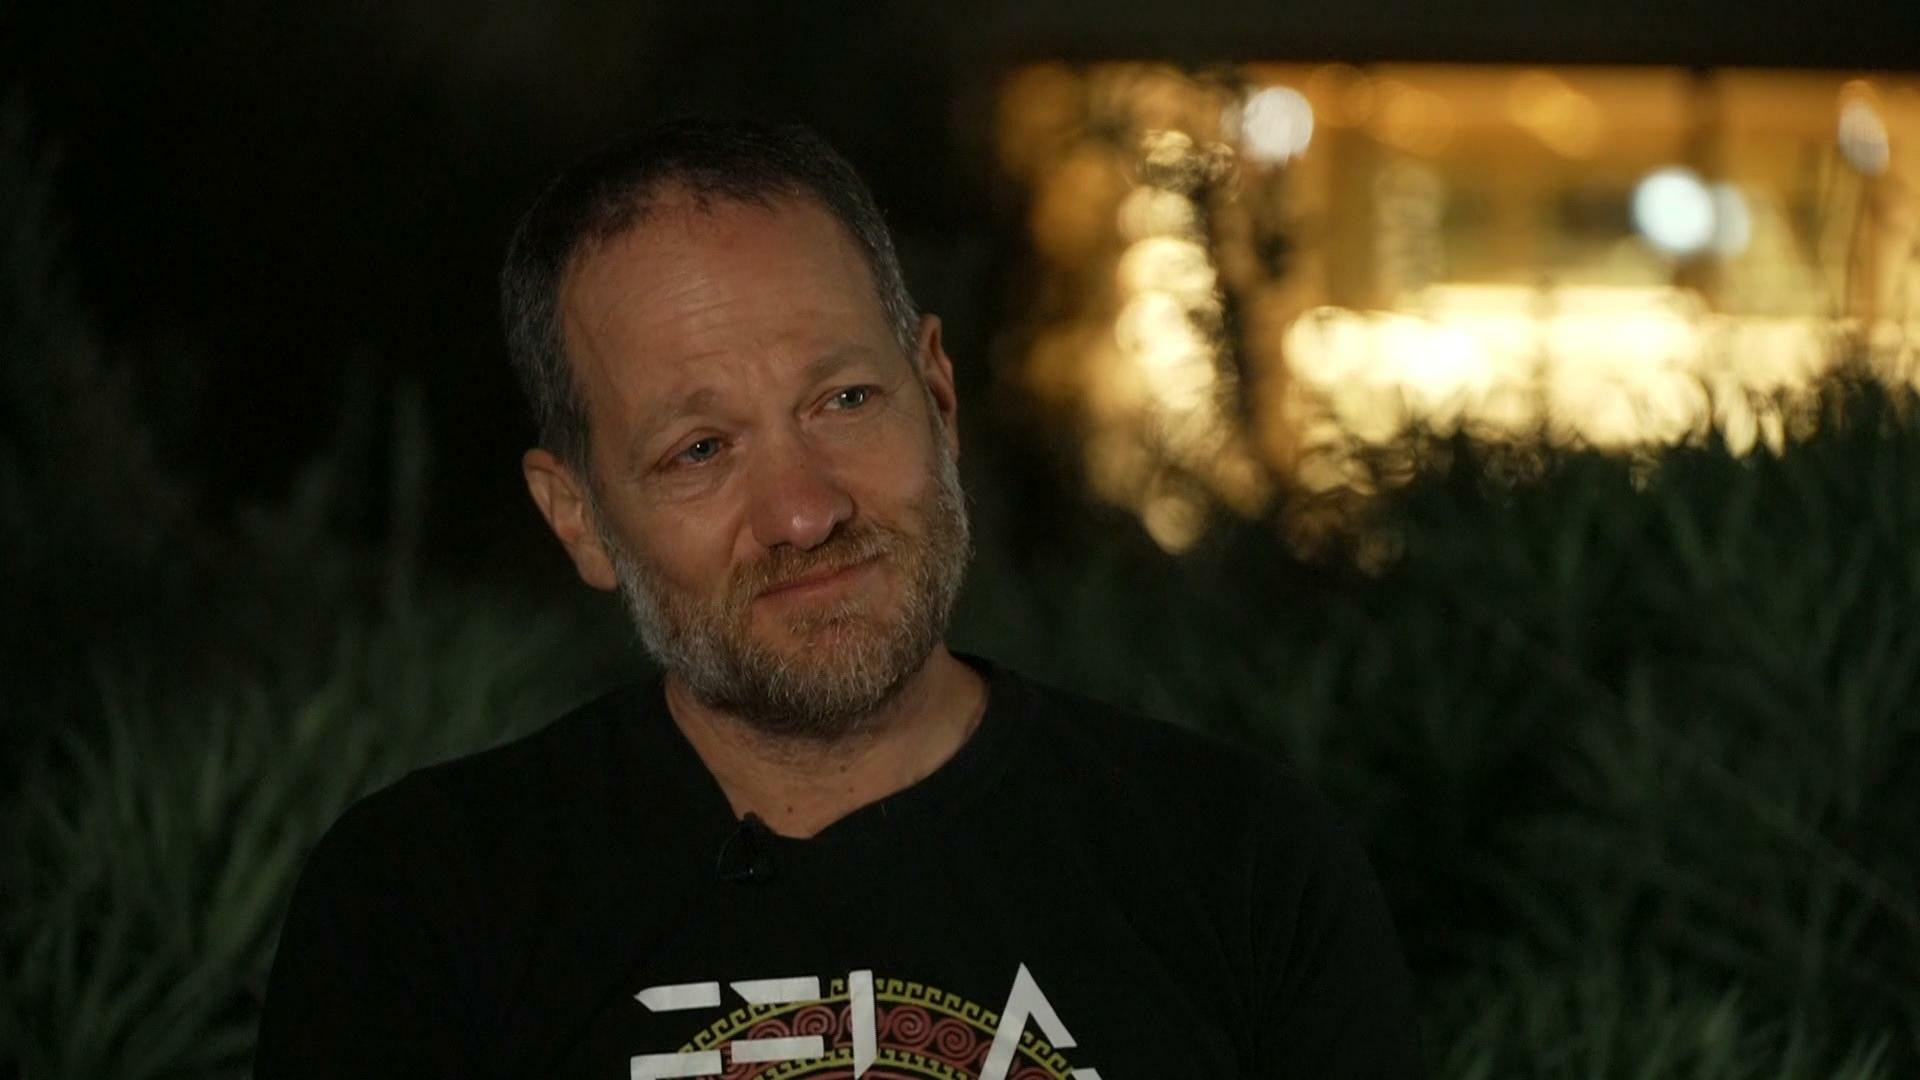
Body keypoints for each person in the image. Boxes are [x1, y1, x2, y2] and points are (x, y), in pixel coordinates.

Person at [256, 117, 1423, 1078]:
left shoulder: (1240, 864)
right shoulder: (425, 904)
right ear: (579, 519)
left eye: (846, 401)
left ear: (939, 395)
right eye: (701, 449)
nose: (805, 511)